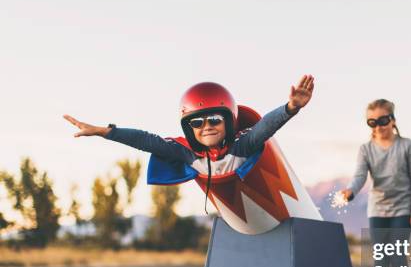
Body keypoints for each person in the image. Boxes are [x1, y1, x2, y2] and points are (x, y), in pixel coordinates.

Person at [63, 75, 314, 213]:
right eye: (197, 122)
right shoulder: (186, 153)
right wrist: (105, 131)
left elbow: (264, 128)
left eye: (215, 119)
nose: (206, 126)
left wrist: (290, 108)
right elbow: (146, 140)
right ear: (188, 127)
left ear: (230, 121)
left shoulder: (242, 146)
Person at [341, 99, 411, 267]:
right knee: (381, 258)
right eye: (372, 122)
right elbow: (359, 176)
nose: (378, 126)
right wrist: (350, 191)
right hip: (377, 209)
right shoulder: (366, 149)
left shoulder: (407, 146)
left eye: (383, 120)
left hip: (403, 209)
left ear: (393, 120)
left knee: (396, 256)